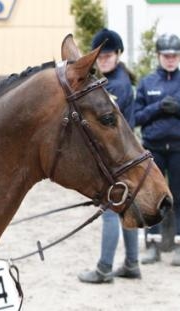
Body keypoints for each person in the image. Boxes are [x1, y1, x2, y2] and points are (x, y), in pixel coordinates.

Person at [78, 28, 141, 284]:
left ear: (117, 55)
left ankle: (104, 268)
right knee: (127, 207)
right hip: (127, 153)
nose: (103, 60)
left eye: (108, 55)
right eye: (99, 56)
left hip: (118, 156)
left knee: (110, 209)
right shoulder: (119, 80)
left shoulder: (116, 87)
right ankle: (132, 263)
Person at [135, 33, 180, 267]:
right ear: (158, 56)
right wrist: (158, 108)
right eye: (166, 55)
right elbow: (136, 116)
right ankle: (152, 245)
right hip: (154, 149)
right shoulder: (147, 82)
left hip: (179, 150)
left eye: (174, 55)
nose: (170, 59)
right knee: (152, 198)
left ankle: (178, 246)